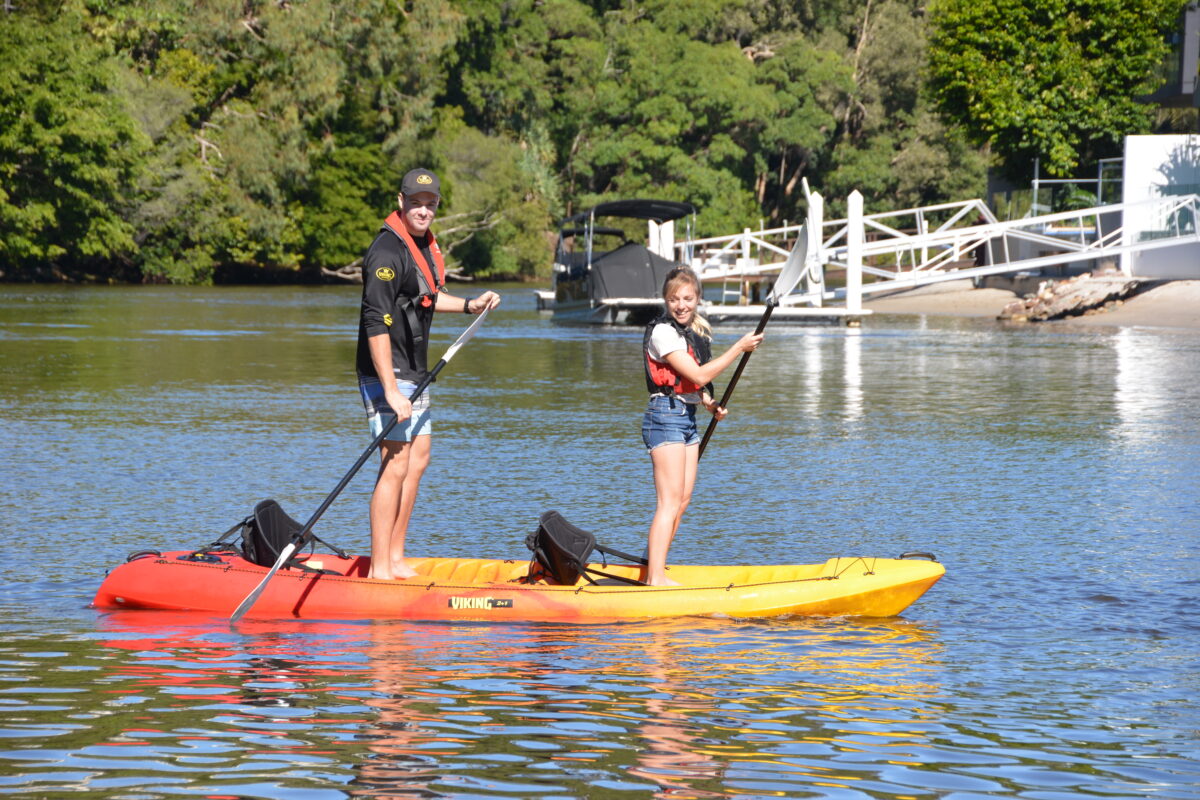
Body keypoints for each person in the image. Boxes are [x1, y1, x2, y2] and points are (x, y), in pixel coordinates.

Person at [356, 167, 500, 580]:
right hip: (387, 372)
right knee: (395, 464)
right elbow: (374, 321)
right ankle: (378, 569)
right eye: (416, 203)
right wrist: (390, 390)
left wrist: (471, 305)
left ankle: (395, 557)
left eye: (430, 204)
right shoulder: (387, 252)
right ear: (400, 202)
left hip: (414, 370)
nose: (423, 210)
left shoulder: (420, 246)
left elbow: (427, 297)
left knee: (418, 461)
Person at [641, 267, 763, 586]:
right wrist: (738, 348)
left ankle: (655, 566)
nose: (681, 305)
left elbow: (692, 386)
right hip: (664, 418)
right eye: (674, 299)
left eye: (687, 299)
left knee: (682, 501)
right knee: (668, 502)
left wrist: (709, 403)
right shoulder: (663, 332)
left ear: (697, 299)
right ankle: (655, 578)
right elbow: (698, 375)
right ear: (665, 300)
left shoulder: (690, 333)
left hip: (687, 418)